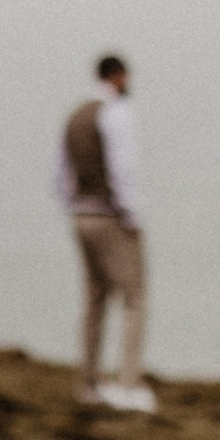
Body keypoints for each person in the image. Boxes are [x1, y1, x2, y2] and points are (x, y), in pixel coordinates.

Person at [54, 53, 153, 413]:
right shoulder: (117, 112)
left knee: (95, 298)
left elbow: (59, 177)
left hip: (80, 216)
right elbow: (122, 168)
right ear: (119, 75)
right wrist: (132, 217)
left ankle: (88, 382)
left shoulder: (74, 115)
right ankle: (128, 384)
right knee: (135, 297)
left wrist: (73, 207)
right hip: (109, 215)